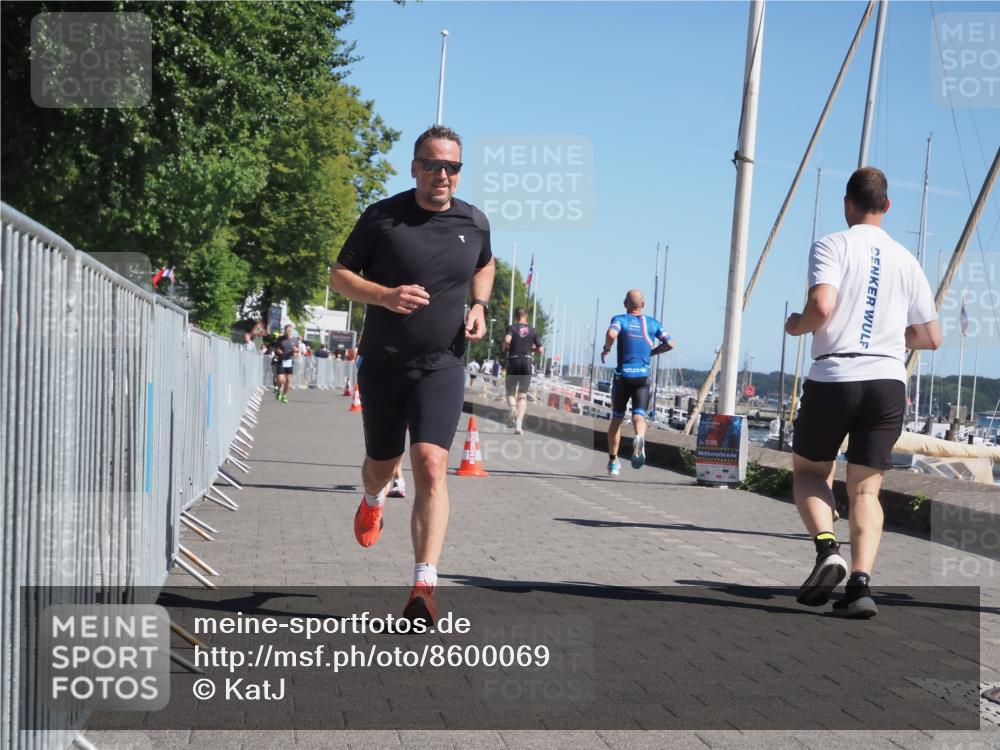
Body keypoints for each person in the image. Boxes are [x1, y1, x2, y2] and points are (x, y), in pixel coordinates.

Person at [330, 124, 495, 624]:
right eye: (432, 164)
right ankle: (372, 498)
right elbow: (339, 276)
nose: (442, 174)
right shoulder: (382, 217)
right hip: (382, 362)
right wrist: (384, 295)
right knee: (382, 463)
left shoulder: (475, 221)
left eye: (452, 167)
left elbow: (485, 265)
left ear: (459, 173)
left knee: (430, 464)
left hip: (442, 364)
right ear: (415, 167)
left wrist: (480, 305)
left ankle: (424, 584)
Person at [785, 167, 940, 619]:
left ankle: (827, 549)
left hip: (837, 374)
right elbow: (931, 336)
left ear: (847, 203)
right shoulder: (907, 260)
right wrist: (891, 337)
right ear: (886, 206)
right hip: (888, 382)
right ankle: (860, 585)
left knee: (810, 472)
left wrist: (797, 325)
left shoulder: (833, 244)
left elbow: (821, 307)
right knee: (866, 492)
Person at [600, 290, 673, 476]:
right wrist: (653, 353)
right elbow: (670, 344)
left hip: (623, 376)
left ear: (625, 304)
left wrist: (606, 349)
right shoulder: (652, 323)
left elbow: (611, 333)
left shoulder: (620, 319)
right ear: (643, 304)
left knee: (616, 419)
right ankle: (639, 438)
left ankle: (613, 462)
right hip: (642, 376)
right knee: (638, 417)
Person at [503, 308, 544, 435]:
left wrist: (505, 347)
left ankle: (512, 408)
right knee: (522, 394)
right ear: (526, 316)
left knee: (510, 391)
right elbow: (541, 350)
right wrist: (533, 350)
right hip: (527, 363)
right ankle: (519, 426)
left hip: (513, 361)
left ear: (516, 316)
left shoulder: (512, 327)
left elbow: (507, 340)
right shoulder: (533, 330)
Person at [272, 324, 299, 403]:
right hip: (281, 361)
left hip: (289, 362)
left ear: (292, 331)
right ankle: (278, 391)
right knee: (281, 380)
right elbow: (276, 349)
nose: (288, 333)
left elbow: (298, 351)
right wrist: (278, 351)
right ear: (284, 331)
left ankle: (284, 396)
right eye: (287, 331)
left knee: (288, 381)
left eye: (290, 331)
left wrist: (296, 350)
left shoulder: (295, 340)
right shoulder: (280, 339)